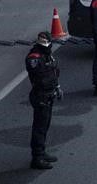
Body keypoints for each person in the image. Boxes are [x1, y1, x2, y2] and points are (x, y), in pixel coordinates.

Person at [25, 31, 61, 169]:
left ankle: (42, 152)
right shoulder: (34, 58)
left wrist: (57, 87)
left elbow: (54, 73)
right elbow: (41, 77)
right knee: (39, 128)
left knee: (45, 126)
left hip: (49, 94)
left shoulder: (47, 56)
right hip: (41, 96)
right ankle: (37, 157)